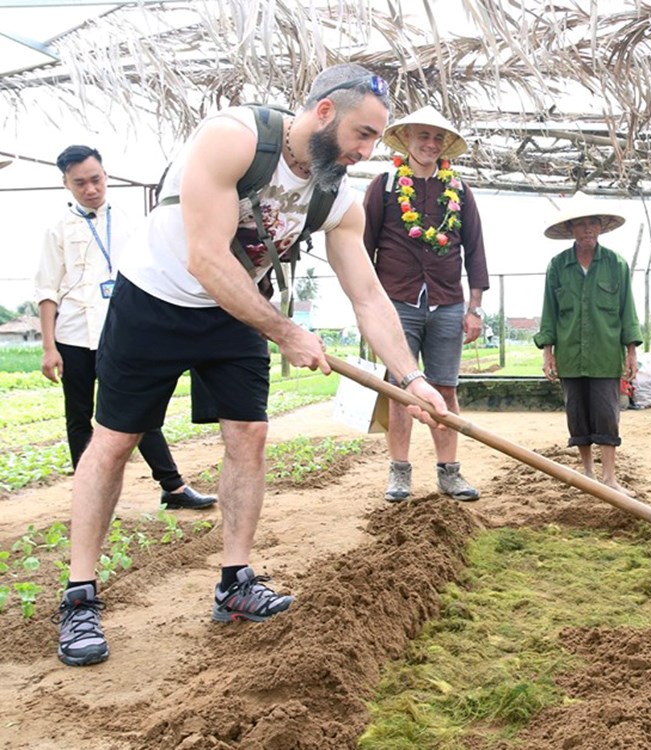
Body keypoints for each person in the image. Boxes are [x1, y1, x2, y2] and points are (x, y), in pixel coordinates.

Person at [52, 64, 448, 667]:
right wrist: (285, 331)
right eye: (362, 134)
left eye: (374, 139)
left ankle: (235, 583)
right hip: (157, 298)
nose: (367, 152)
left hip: (236, 309)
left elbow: (368, 295)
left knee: (250, 434)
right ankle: (80, 598)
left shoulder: (337, 197)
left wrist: (411, 378)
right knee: (114, 441)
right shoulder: (233, 137)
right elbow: (207, 258)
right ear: (323, 114)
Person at [35, 145, 216, 512]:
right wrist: (48, 347)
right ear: (66, 184)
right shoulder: (58, 229)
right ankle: (90, 496)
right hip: (73, 335)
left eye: (96, 180)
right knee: (79, 416)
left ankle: (174, 487)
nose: (90, 189)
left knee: (137, 409)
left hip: (123, 331)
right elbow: (46, 291)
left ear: (106, 175)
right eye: (80, 183)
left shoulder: (133, 220)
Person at [362, 105, 490, 503]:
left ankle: (448, 472)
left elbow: (475, 250)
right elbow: (362, 251)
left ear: (445, 146)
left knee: (445, 388)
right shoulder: (383, 186)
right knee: (401, 389)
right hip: (395, 302)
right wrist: (366, 310)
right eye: (423, 136)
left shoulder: (460, 191)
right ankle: (399, 473)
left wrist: (474, 308)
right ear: (407, 140)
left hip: (448, 303)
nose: (430, 144)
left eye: (438, 139)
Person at [533, 194, 642, 492]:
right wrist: (548, 354)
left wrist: (631, 353)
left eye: (593, 223)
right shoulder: (558, 266)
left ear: (601, 226)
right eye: (580, 225)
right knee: (576, 414)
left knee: (607, 414)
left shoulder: (616, 265)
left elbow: (627, 311)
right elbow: (550, 313)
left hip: (606, 354)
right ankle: (588, 474)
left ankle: (610, 477)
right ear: (570, 229)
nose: (587, 230)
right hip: (570, 354)